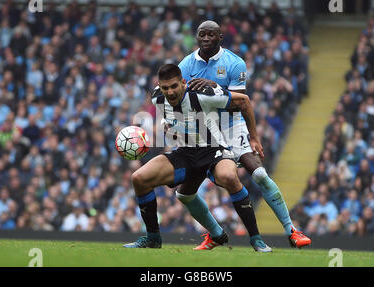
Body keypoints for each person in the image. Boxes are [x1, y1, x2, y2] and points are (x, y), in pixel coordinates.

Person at [176, 20, 311, 249]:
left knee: (258, 173)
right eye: (202, 35)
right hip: (204, 133)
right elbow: (181, 102)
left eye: (211, 35)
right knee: (184, 194)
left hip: (231, 127)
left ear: (221, 37)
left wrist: (253, 136)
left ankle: (292, 230)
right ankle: (216, 233)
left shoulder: (234, 63)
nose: (206, 38)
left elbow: (239, 104)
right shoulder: (186, 65)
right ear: (197, 37)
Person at [123, 64, 272, 252]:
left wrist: (254, 137)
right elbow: (172, 117)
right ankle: (153, 238)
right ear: (159, 87)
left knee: (228, 177)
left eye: (174, 86)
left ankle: (256, 239)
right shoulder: (157, 98)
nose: (170, 92)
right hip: (185, 153)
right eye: (165, 88)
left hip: (214, 151)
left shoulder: (202, 94)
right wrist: (169, 126)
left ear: (183, 83)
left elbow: (243, 100)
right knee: (139, 178)